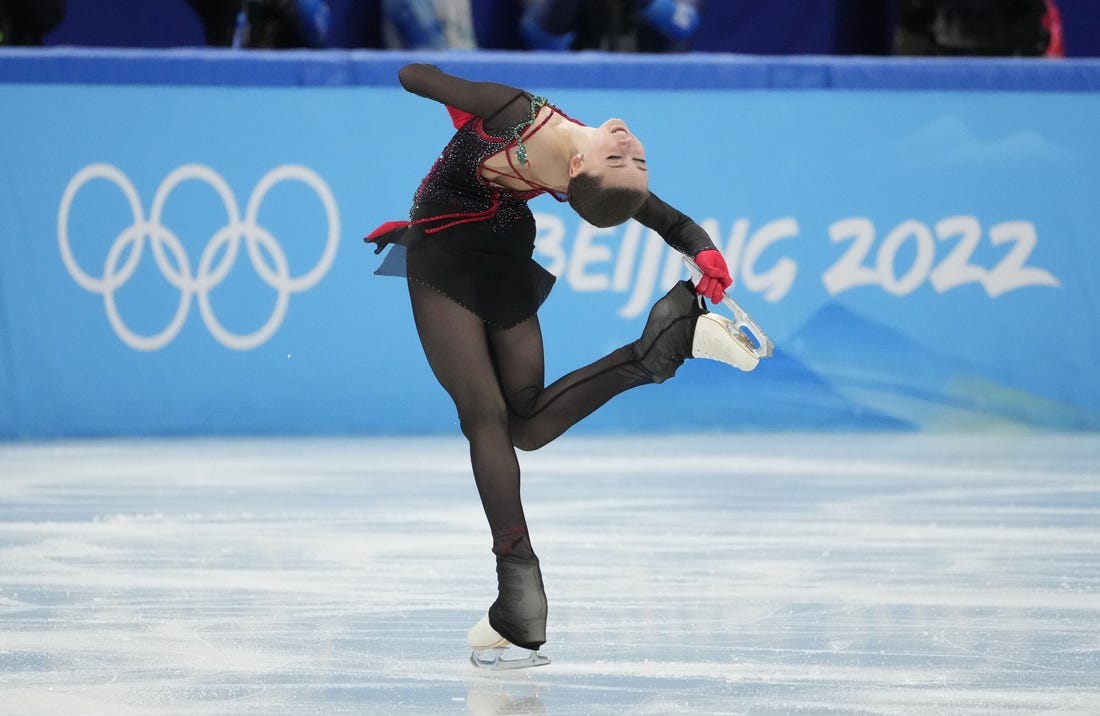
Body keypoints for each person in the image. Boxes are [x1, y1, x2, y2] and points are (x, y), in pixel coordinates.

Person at [365, 63, 759, 668]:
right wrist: (701, 251)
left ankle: (520, 597)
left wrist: (459, 96)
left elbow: (412, 74)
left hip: (457, 254)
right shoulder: (534, 128)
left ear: (578, 172)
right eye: (632, 161)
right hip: (480, 252)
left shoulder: (516, 112)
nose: (629, 150)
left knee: (488, 420)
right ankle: (664, 346)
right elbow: (669, 221)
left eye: (627, 161)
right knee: (519, 424)